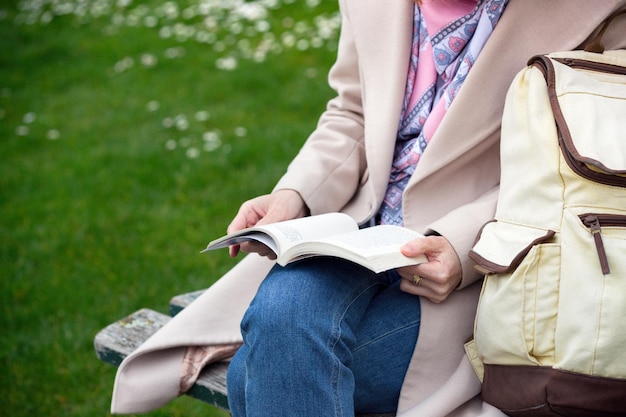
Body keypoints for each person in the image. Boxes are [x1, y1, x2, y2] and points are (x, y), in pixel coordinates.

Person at [108, 1, 626, 416]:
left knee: (256, 373)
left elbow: (599, 172)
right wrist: (295, 195)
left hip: (492, 270)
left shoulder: (599, 13)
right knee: (282, 317)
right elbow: (352, 113)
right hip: (360, 235)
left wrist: (462, 248)